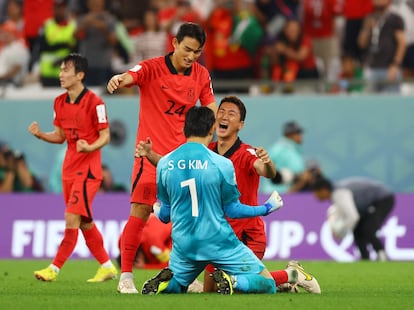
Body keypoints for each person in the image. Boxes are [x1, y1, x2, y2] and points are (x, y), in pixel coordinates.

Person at [106, 22, 217, 294]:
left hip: (183, 163)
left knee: (187, 221)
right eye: (188, 49)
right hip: (149, 156)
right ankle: (126, 278)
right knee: (139, 214)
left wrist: (211, 137)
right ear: (175, 43)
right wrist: (119, 79)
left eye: (197, 52)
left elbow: (210, 109)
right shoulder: (152, 67)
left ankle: (185, 277)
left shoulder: (201, 75)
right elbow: (131, 75)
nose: (191, 56)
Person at [141, 106, 283, 295]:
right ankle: (234, 281)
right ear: (211, 130)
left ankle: (168, 284)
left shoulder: (165, 163)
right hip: (217, 241)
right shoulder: (222, 164)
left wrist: (157, 209)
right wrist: (266, 208)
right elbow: (233, 210)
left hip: (184, 244)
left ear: (185, 129)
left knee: (181, 286)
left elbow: (166, 216)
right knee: (268, 284)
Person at [203, 95, 320, 294]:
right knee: (212, 291)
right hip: (218, 236)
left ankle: (292, 274)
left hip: (247, 235)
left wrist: (268, 162)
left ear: (240, 125)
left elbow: (267, 172)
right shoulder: (206, 151)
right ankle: (280, 284)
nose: (224, 116)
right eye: (221, 112)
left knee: (237, 286)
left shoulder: (247, 153)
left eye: (231, 114)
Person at [28, 53, 118, 282]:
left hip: (87, 171)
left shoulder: (96, 103)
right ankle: (107, 266)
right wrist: (41, 135)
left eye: (66, 70)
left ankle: (54, 269)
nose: (61, 75)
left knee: (71, 219)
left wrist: (90, 148)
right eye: (60, 70)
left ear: (80, 75)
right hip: (68, 170)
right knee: (85, 222)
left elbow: (105, 136)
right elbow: (59, 136)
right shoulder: (58, 102)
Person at [312, 176, 395, 261]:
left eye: (315, 192)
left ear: (323, 190)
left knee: (368, 229)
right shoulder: (337, 192)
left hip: (383, 199)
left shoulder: (339, 194)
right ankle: (365, 258)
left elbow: (353, 217)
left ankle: (382, 255)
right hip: (370, 203)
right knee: (357, 229)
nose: (315, 196)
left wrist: (342, 233)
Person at [357, 0, 406, 93]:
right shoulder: (369, 18)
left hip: (389, 68)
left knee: (392, 102)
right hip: (371, 67)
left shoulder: (395, 19)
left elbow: (402, 43)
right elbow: (361, 44)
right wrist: (367, 29)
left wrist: (395, 64)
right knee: (370, 102)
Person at [36, 0, 77, 87]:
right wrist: (65, 45)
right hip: (48, 73)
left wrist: (63, 60)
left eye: (62, 8)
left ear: (66, 9)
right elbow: (43, 47)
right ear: (53, 9)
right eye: (57, 8)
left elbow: (76, 49)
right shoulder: (47, 25)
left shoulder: (72, 26)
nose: (60, 11)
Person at [260, 120, 306, 194]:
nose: (301, 136)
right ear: (290, 135)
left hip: (271, 192)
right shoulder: (287, 150)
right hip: (281, 193)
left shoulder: (276, 147)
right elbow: (298, 172)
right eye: (298, 133)